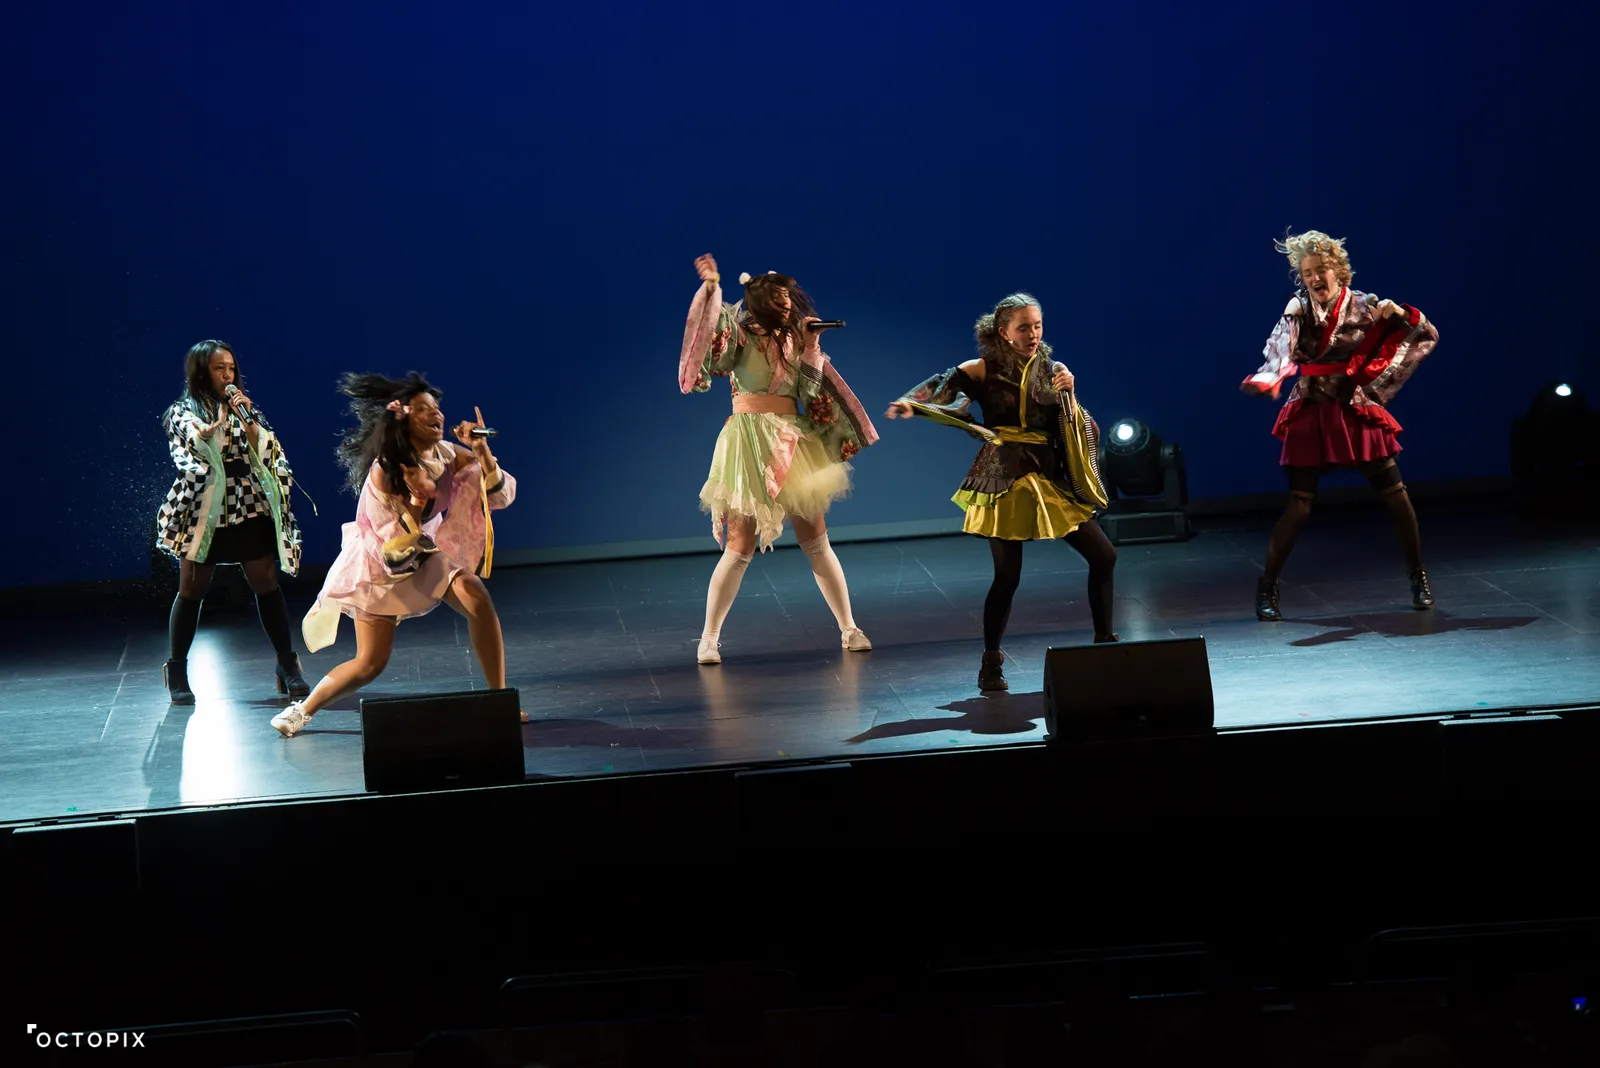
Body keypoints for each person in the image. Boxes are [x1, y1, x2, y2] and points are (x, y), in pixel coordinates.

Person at [269, 371, 525, 737]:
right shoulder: (386, 472)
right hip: (381, 566)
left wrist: (481, 452)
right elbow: (395, 550)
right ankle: (302, 710)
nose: (436, 414)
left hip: (423, 551)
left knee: (476, 596)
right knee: (370, 663)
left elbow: (497, 495)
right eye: (423, 409)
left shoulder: (447, 454)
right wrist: (418, 501)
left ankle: (499, 701)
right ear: (404, 419)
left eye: (437, 408)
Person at [886, 293, 1116, 692]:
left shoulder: (1053, 370)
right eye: (1023, 327)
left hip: (1046, 473)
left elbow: (1075, 427)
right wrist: (913, 405)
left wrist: (1071, 394)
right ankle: (991, 661)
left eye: (1037, 326)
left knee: (1104, 555)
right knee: (1007, 575)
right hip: (1003, 473)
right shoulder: (983, 368)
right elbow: (941, 387)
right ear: (1004, 332)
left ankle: (1105, 642)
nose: (1032, 334)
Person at [680, 253, 879, 664]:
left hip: (793, 440)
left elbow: (810, 393)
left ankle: (849, 628)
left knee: (816, 540)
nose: (787, 305)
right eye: (778, 299)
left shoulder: (795, 341)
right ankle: (709, 638)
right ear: (760, 302)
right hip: (748, 441)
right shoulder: (740, 336)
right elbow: (711, 341)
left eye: (789, 299)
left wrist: (811, 347)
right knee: (739, 546)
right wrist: (712, 289)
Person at [1241, 229, 1440, 621]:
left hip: (1352, 405)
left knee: (1396, 495)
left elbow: (1423, 334)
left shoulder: (1364, 305)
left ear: (1337, 269)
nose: (1315, 278)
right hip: (1312, 407)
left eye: (1321, 269)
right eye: (1307, 272)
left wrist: (1398, 314)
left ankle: (1419, 577)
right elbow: (1281, 344)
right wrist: (1269, 376)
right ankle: (1267, 587)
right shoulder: (1298, 307)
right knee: (1300, 505)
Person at [154, 339, 307, 703]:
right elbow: (190, 437)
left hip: (247, 500)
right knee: (192, 588)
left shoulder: (244, 406)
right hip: (205, 504)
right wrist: (205, 433)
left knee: (265, 581)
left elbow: (265, 447)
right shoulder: (183, 410)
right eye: (219, 368)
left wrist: (246, 418)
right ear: (201, 372)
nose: (227, 375)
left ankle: (287, 664)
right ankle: (177, 669)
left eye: (231, 368)